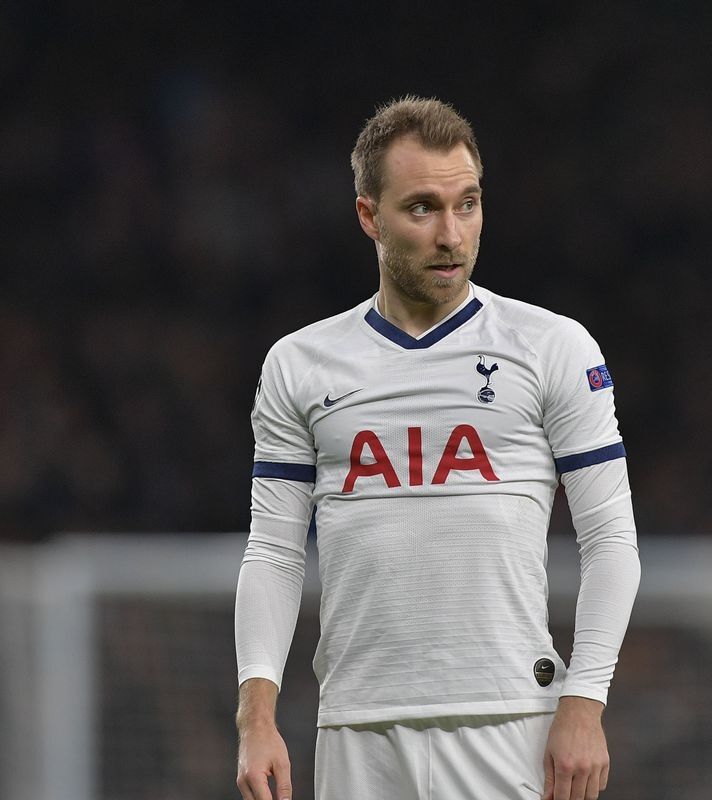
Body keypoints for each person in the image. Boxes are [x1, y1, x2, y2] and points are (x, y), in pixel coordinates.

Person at [234, 96, 641, 800]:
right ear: (369, 216)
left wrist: (584, 702)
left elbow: (611, 540)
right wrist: (255, 717)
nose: (452, 234)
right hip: (357, 725)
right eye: (422, 208)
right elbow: (273, 550)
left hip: (511, 720)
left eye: (467, 204)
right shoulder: (299, 364)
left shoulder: (553, 348)